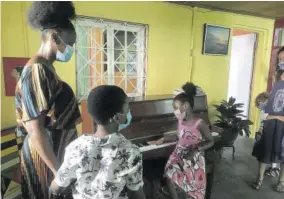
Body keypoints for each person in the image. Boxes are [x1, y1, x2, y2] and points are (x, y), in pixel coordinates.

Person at [15, 2, 81, 199]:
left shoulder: (46, 68)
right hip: (47, 159)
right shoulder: (37, 71)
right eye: (71, 43)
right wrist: (58, 172)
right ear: (54, 36)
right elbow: (35, 130)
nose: (71, 48)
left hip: (55, 152)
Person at [49, 85, 146, 199]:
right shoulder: (131, 152)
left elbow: (57, 187)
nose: (129, 111)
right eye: (127, 108)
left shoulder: (75, 147)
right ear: (117, 118)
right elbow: (136, 194)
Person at [153, 82, 214, 199]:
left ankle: (189, 194)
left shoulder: (200, 124)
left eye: (176, 108)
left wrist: (196, 150)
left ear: (185, 106)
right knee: (169, 173)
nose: (175, 112)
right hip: (178, 153)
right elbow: (178, 136)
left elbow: (210, 141)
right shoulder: (180, 121)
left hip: (193, 156)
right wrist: (164, 138)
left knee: (191, 183)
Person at [252, 68, 284, 192]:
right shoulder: (273, 92)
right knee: (265, 153)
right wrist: (276, 116)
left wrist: (274, 116)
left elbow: (269, 114)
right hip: (270, 128)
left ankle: (281, 182)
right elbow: (265, 113)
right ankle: (259, 180)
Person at [254, 92, 280, 177]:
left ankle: (272, 168)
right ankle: (273, 167)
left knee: (267, 152)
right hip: (271, 131)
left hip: (270, 132)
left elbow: (265, 118)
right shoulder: (272, 108)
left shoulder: (267, 110)